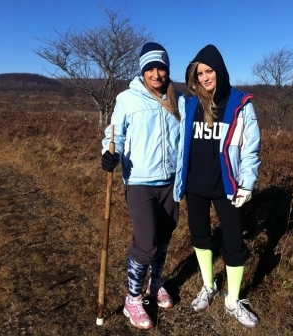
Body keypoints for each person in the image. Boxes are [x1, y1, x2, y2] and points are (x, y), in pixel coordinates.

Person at [174, 44, 261, 328]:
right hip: (195, 186)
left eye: (209, 70)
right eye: (200, 73)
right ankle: (209, 286)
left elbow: (251, 149)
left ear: (220, 70)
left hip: (228, 187)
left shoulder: (240, 104)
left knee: (234, 244)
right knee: (200, 237)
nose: (205, 77)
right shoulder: (189, 104)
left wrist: (246, 184)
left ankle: (233, 300)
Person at [101, 42, 183, 330]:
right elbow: (115, 132)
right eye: (151, 68)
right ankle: (132, 299)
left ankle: (155, 286)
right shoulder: (128, 99)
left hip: (171, 180)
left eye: (161, 68)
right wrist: (109, 152)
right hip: (139, 182)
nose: (156, 74)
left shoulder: (178, 99)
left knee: (163, 237)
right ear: (143, 71)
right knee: (146, 241)